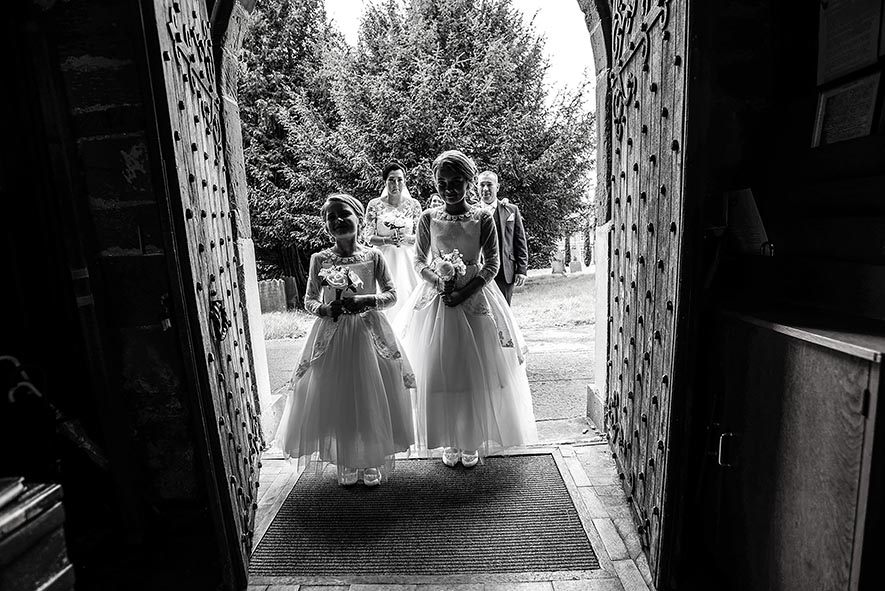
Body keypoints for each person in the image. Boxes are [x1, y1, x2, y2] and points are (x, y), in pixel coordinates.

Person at [398, 150, 537, 468]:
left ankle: (471, 438)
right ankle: (449, 437)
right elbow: (418, 260)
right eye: (442, 183)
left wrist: (465, 292)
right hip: (438, 302)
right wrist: (438, 281)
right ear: (435, 183)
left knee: (476, 373)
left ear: (469, 182)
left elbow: (493, 263)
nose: (449, 188)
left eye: (456, 182)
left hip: (474, 299)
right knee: (440, 371)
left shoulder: (482, 218)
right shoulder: (428, 218)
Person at [274, 194, 415, 487]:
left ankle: (371, 459)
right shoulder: (320, 259)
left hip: (368, 333)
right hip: (333, 335)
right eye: (331, 217)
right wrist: (326, 309)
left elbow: (392, 295)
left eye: (344, 214)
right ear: (326, 225)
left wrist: (367, 299)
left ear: (359, 219)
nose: (338, 220)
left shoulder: (373, 257)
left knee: (369, 396)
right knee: (338, 397)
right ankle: (346, 459)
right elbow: (309, 299)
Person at [363, 161, 423, 320]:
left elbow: (422, 236)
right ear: (385, 181)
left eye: (399, 179)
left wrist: (407, 238)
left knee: (408, 293)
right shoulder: (374, 205)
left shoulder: (414, 205)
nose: (396, 184)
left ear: (404, 181)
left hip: (407, 259)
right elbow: (367, 236)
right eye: (391, 180)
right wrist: (387, 240)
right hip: (383, 257)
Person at [478, 171, 528, 305]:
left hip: (505, 271)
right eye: (482, 185)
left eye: (489, 185)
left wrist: (522, 269)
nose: (485, 189)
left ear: (497, 187)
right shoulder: (471, 212)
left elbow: (520, 241)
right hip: (479, 272)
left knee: (504, 310)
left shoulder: (511, 210)